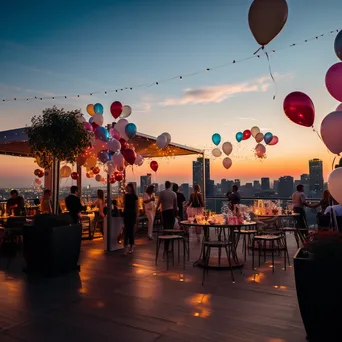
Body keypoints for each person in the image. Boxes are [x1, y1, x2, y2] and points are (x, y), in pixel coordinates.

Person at [123, 183, 138, 255]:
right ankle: (126, 247)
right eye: (127, 187)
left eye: (128, 187)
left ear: (131, 188)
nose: (127, 188)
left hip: (132, 215)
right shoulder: (125, 196)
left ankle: (131, 246)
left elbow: (136, 207)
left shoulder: (134, 197)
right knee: (126, 231)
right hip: (127, 214)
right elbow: (124, 205)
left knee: (130, 231)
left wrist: (136, 216)